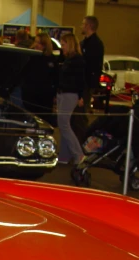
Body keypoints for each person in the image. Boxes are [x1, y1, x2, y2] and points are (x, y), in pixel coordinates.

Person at [56, 33, 86, 165]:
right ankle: (64, 156)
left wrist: (80, 96)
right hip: (64, 93)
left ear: (70, 44)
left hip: (70, 93)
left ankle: (78, 154)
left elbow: (81, 80)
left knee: (64, 124)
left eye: (63, 44)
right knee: (64, 125)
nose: (62, 47)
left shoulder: (77, 60)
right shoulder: (68, 59)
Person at [80, 16, 104, 110]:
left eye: (82, 24)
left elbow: (93, 65)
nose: (81, 26)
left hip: (87, 82)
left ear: (88, 26)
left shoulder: (96, 44)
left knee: (83, 109)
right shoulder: (83, 42)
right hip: (82, 81)